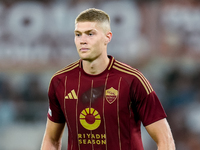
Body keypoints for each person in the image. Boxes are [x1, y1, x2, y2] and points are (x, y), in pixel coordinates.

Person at [41, 8, 175, 150]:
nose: (82, 40)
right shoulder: (60, 81)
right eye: (78, 34)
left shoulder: (132, 80)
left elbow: (165, 139)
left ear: (108, 37)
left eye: (90, 34)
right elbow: (51, 139)